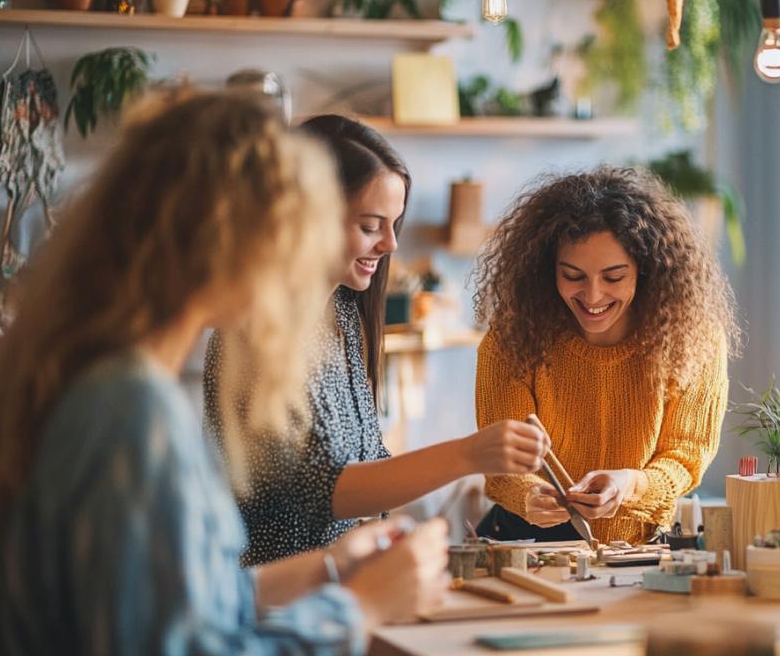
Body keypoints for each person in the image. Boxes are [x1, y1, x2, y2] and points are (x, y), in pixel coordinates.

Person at [0, 92, 449, 656]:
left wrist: (330, 568)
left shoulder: (86, 382)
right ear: (228, 240)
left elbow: (172, 609)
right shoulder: (131, 415)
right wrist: (359, 608)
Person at [204, 114, 547, 566]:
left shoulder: (343, 315)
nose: (389, 244)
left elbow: (367, 462)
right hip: (279, 599)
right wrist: (469, 453)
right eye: (370, 226)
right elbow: (324, 493)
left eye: (394, 225)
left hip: (340, 584)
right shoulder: (257, 331)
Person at [471, 167, 740, 545]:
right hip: (525, 546)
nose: (593, 296)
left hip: (642, 551)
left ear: (647, 270)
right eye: (573, 276)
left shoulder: (693, 341)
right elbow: (500, 460)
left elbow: (686, 455)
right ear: (547, 271)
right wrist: (528, 494)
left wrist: (632, 484)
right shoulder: (512, 340)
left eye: (613, 277)